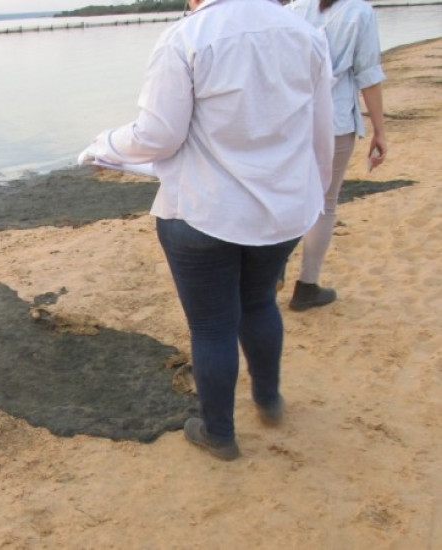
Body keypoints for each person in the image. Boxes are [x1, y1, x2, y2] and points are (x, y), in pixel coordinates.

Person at [77, 0, 334, 460]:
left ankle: (219, 433)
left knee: (213, 326)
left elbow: (158, 136)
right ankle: (268, 400)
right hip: (282, 209)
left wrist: (104, 143)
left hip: (202, 212)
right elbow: (321, 132)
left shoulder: (186, 37)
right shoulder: (306, 33)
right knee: (258, 302)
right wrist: (311, 198)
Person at [287, 0, 388, 311]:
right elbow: (368, 75)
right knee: (324, 203)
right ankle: (306, 286)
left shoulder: (293, 9)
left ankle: (273, 271)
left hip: (293, 117)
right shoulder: (360, 12)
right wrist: (380, 131)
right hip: (334, 119)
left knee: (287, 198)